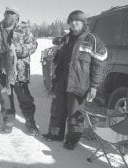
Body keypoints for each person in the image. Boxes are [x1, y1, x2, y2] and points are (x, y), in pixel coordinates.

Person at [43, 10, 107, 150]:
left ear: (84, 22)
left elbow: (100, 64)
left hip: (79, 84)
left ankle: (72, 140)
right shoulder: (65, 39)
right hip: (61, 81)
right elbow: (58, 61)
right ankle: (55, 134)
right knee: (57, 110)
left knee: (75, 113)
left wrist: (94, 86)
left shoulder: (93, 40)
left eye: (77, 20)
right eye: (71, 21)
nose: (74, 23)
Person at [0, 6, 39, 135]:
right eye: (7, 13)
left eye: (12, 13)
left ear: (17, 17)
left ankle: (30, 121)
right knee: (5, 98)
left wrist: (19, 49)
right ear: (4, 14)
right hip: (1, 71)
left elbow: (33, 45)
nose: (9, 15)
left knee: (25, 98)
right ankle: (8, 121)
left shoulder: (24, 29)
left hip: (20, 71)